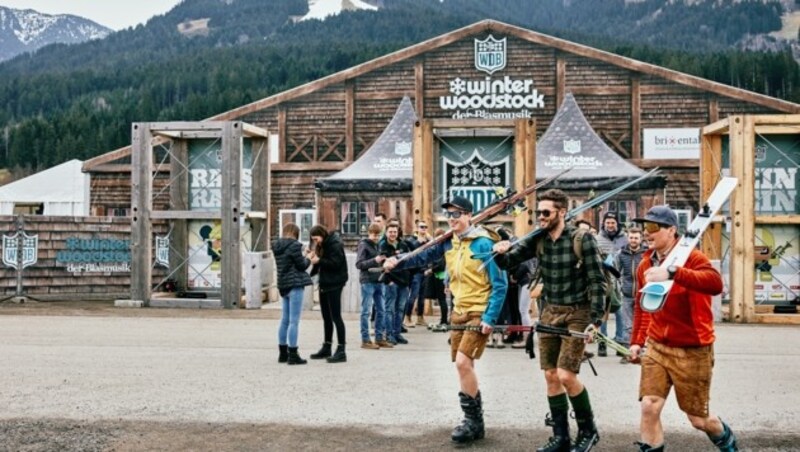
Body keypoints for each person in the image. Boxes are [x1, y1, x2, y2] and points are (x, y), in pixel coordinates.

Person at [383, 195, 507, 445]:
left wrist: (490, 317)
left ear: (469, 215)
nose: (452, 219)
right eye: (448, 214)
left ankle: (472, 421)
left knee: (463, 362)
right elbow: (421, 257)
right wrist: (396, 263)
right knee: (462, 365)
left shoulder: (483, 243)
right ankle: (475, 421)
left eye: (457, 214)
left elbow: (500, 284)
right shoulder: (448, 243)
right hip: (458, 310)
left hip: (478, 310)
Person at [493, 189, 606, 452]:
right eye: (537, 213)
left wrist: (596, 321)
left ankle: (588, 431)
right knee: (550, 375)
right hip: (549, 312)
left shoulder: (582, 239)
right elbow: (509, 262)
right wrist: (500, 250)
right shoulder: (538, 239)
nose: (540, 217)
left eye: (546, 212)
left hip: (578, 312)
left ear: (562, 213)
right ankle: (561, 437)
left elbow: (598, 281)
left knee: (566, 375)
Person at [629, 206, 737, 452]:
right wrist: (636, 341)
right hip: (657, 346)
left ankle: (728, 443)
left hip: (693, 348)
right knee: (649, 405)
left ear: (672, 230)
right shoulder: (645, 263)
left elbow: (715, 284)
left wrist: (673, 272)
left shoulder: (693, 258)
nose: (647, 233)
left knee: (698, 420)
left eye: (653, 227)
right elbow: (643, 306)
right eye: (645, 227)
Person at [272, 223, 313, 365]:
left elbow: (289, 263)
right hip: (295, 285)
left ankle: (283, 354)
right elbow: (302, 265)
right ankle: (293, 354)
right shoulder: (295, 245)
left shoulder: (277, 246)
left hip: (283, 285)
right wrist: (309, 258)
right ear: (296, 233)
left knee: (284, 320)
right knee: (294, 321)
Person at [308, 225, 349, 363]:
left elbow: (336, 263)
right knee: (326, 317)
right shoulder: (323, 244)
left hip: (334, 284)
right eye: (313, 240)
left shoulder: (334, 244)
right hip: (325, 283)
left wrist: (319, 261)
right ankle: (327, 346)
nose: (316, 241)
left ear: (322, 234)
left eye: (316, 238)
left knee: (336, 317)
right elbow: (321, 264)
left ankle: (341, 349)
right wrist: (313, 261)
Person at [355, 222, 391, 349]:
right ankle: (365, 340)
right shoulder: (363, 245)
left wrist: (384, 267)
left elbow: (377, 263)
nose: (376, 237)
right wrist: (374, 260)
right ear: (369, 233)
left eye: (378, 235)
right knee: (366, 311)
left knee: (381, 310)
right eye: (374, 235)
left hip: (379, 281)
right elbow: (359, 264)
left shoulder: (377, 246)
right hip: (367, 281)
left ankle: (379, 338)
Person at [615, 226, 647, 363]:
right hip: (627, 294)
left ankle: (643, 351)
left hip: (643, 295)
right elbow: (615, 271)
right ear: (628, 238)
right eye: (631, 237)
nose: (633, 240)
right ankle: (628, 352)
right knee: (628, 326)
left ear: (641, 239)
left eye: (636, 238)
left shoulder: (646, 254)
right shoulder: (621, 253)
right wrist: (619, 286)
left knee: (643, 324)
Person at [379, 223, 412, 345]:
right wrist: (388, 281)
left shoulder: (403, 245)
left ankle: (397, 333)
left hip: (404, 281)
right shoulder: (383, 246)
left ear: (398, 232)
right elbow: (381, 265)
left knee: (400, 309)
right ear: (386, 232)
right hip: (391, 281)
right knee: (389, 309)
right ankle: (389, 334)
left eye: (395, 231)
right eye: (390, 232)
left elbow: (410, 260)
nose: (393, 234)